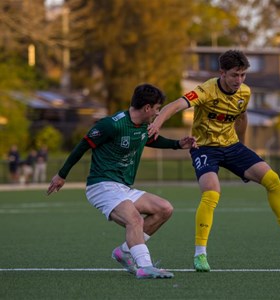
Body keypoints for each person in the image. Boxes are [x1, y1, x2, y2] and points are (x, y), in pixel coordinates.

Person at [147, 49, 280, 272]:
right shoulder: (206, 90)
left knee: (272, 179)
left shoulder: (244, 93)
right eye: (234, 75)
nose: (239, 80)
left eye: (243, 75)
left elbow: (242, 116)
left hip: (232, 146)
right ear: (222, 73)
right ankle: (200, 254)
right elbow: (175, 106)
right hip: (205, 148)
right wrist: (158, 122)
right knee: (211, 192)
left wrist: (243, 146)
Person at [47, 83, 198, 279]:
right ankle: (145, 266)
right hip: (101, 185)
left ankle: (125, 251)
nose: (158, 113)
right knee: (133, 218)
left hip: (123, 188)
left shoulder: (143, 126)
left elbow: (149, 139)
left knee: (164, 209)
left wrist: (177, 144)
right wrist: (61, 175)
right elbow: (83, 145)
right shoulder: (112, 124)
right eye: (157, 109)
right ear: (147, 108)